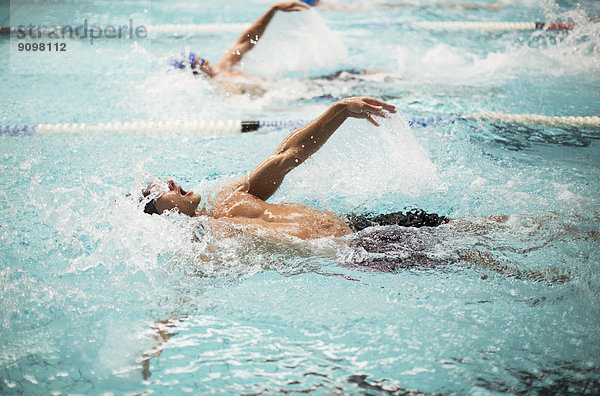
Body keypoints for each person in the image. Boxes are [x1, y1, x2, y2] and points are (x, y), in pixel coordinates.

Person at [138, 96, 448, 240]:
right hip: (357, 253)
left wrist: (339, 110)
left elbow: (286, 156)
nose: (170, 181)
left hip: (361, 226)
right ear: (161, 216)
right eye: (159, 191)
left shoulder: (227, 199)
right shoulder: (210, 243)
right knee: (479, 248)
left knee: (477, 229)